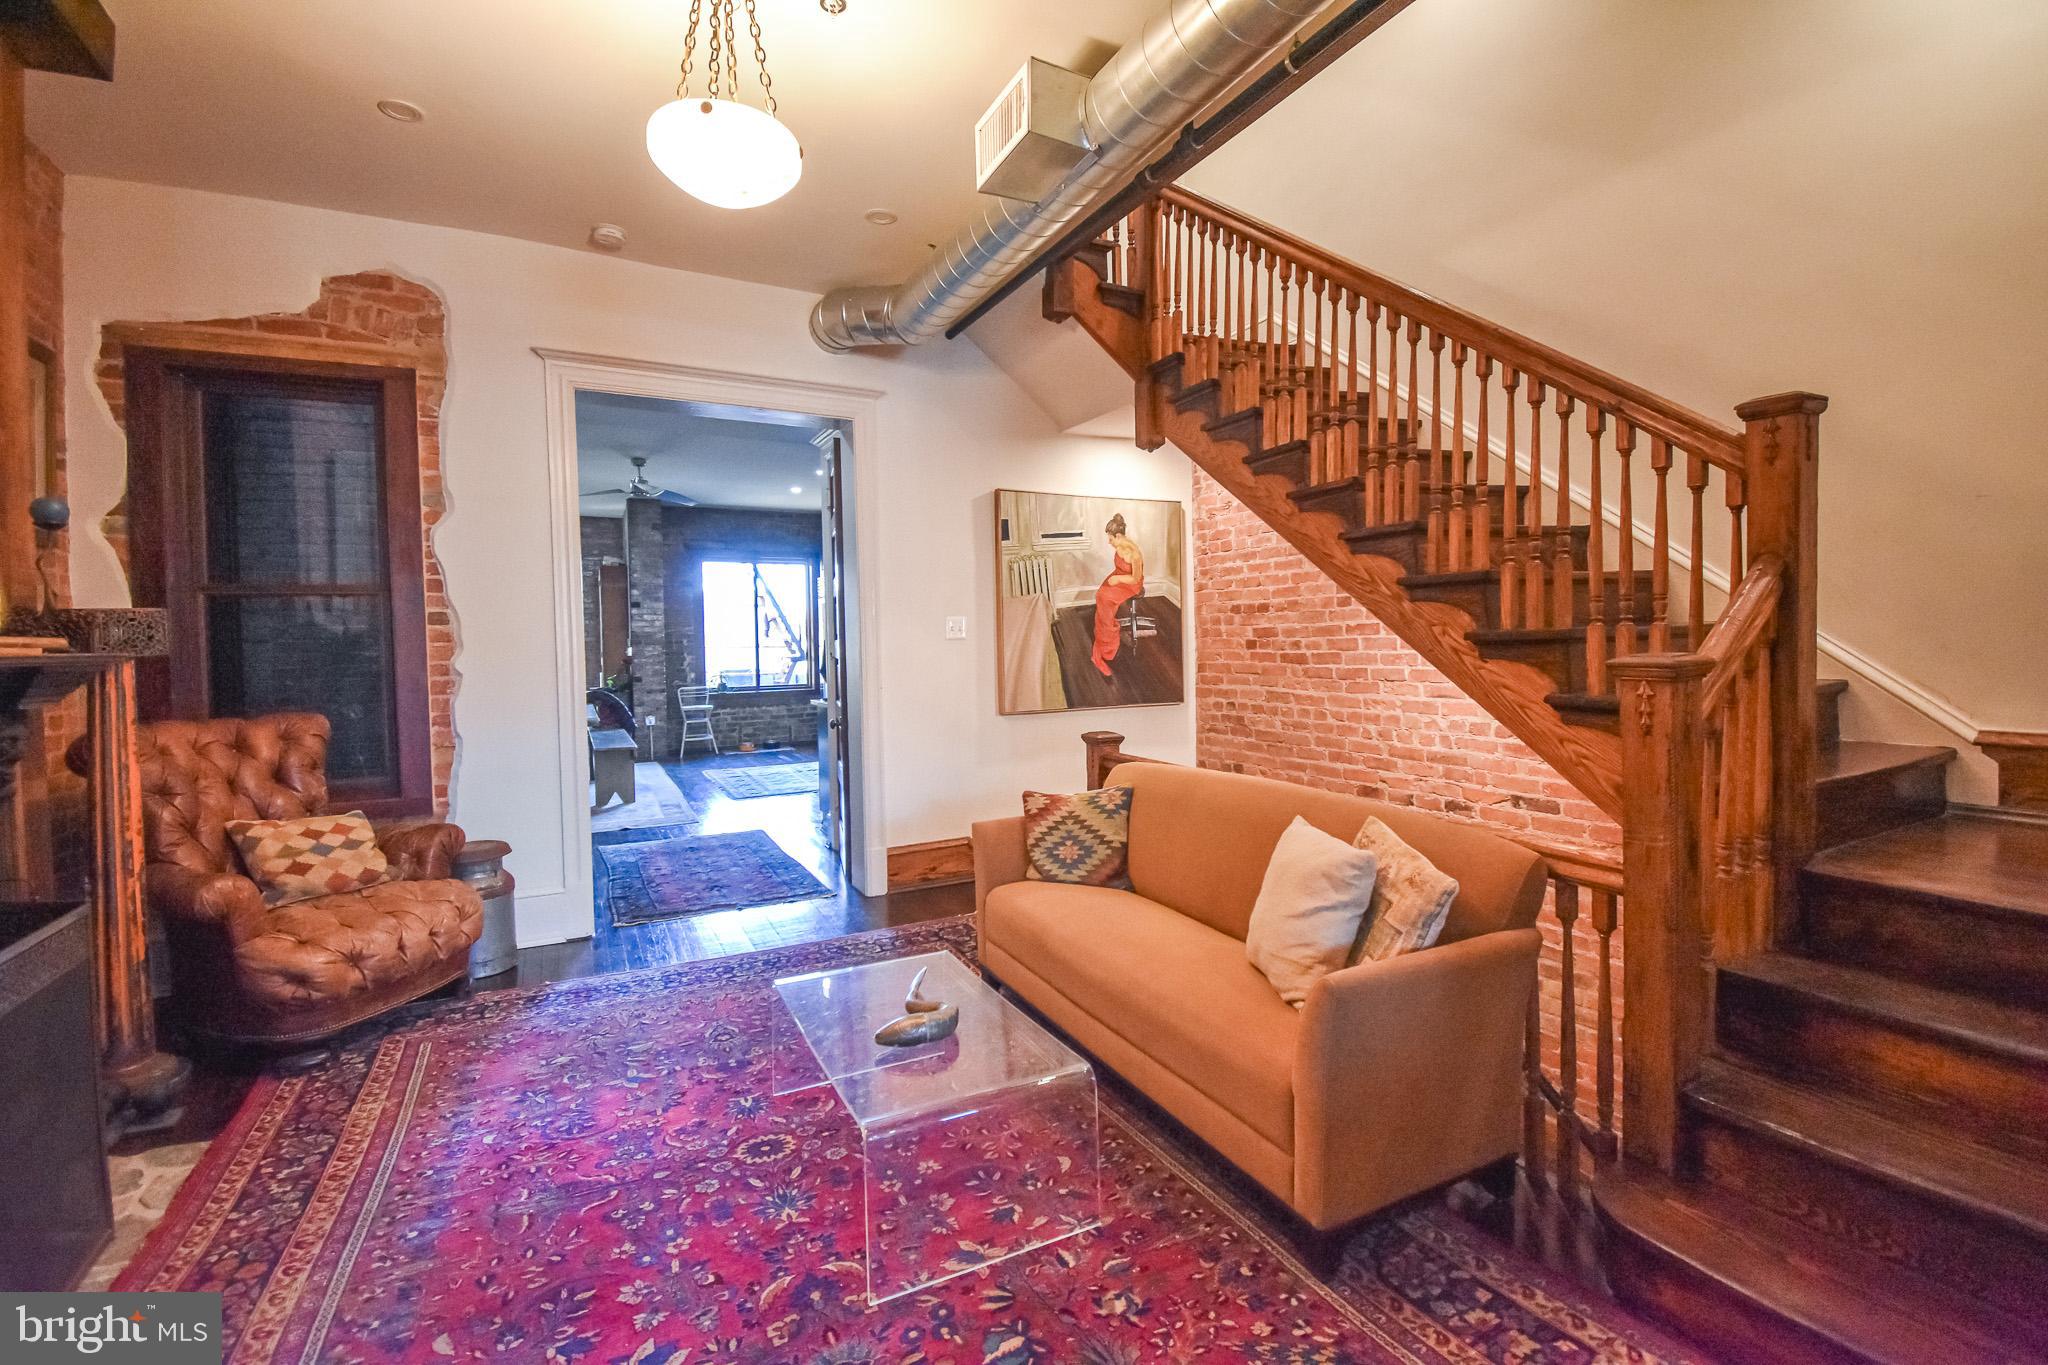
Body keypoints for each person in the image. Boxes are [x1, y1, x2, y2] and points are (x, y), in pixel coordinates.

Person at [1090, 513, 1145, 677]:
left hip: (1131, 583)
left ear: (1119, 536)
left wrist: (1118, 579)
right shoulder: (1120, 546)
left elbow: (1135, 578)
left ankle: (1106, 647)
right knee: (1100, 595)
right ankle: (1104, 633)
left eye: (1111, 539)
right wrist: (1116, 577)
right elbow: (1120, 570)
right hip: (1119, 575)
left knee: (1105, 599)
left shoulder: (1134, 553)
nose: (1109, 542)